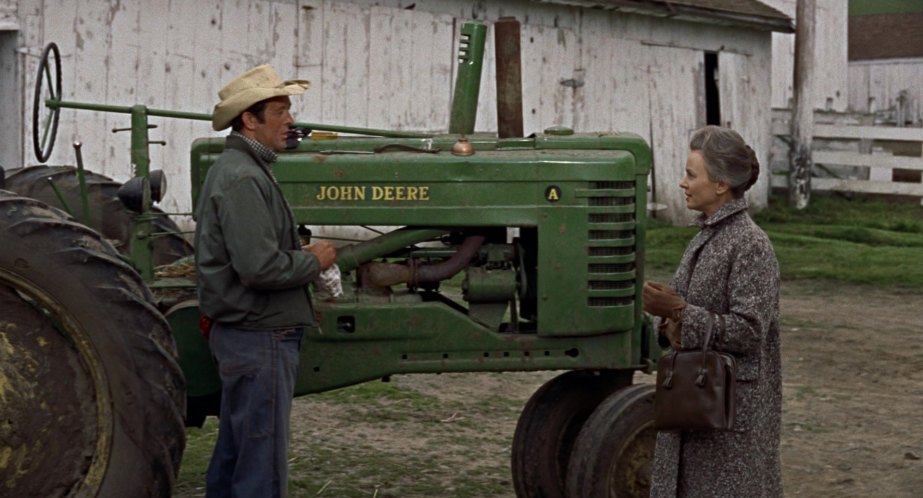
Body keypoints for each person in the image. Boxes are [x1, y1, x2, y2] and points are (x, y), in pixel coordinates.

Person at [194, 64, 336, 498]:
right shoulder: (243, 177)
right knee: (261, 464)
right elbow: (258, 268)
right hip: (261, 334)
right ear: (249, 120)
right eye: (279, 111)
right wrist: (314, 260)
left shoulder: (242, 168)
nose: (289, 120)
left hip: (248, 333)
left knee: (238, 451)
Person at [644, 125, 782, 497]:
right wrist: (665, 316)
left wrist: (680, 311)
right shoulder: (705, 237)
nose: (682, 183)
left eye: (691, 175)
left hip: (729, 414)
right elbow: (685, 315)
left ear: (720, 184)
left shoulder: (750, 245)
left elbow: (749, 332)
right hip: (695, 403)